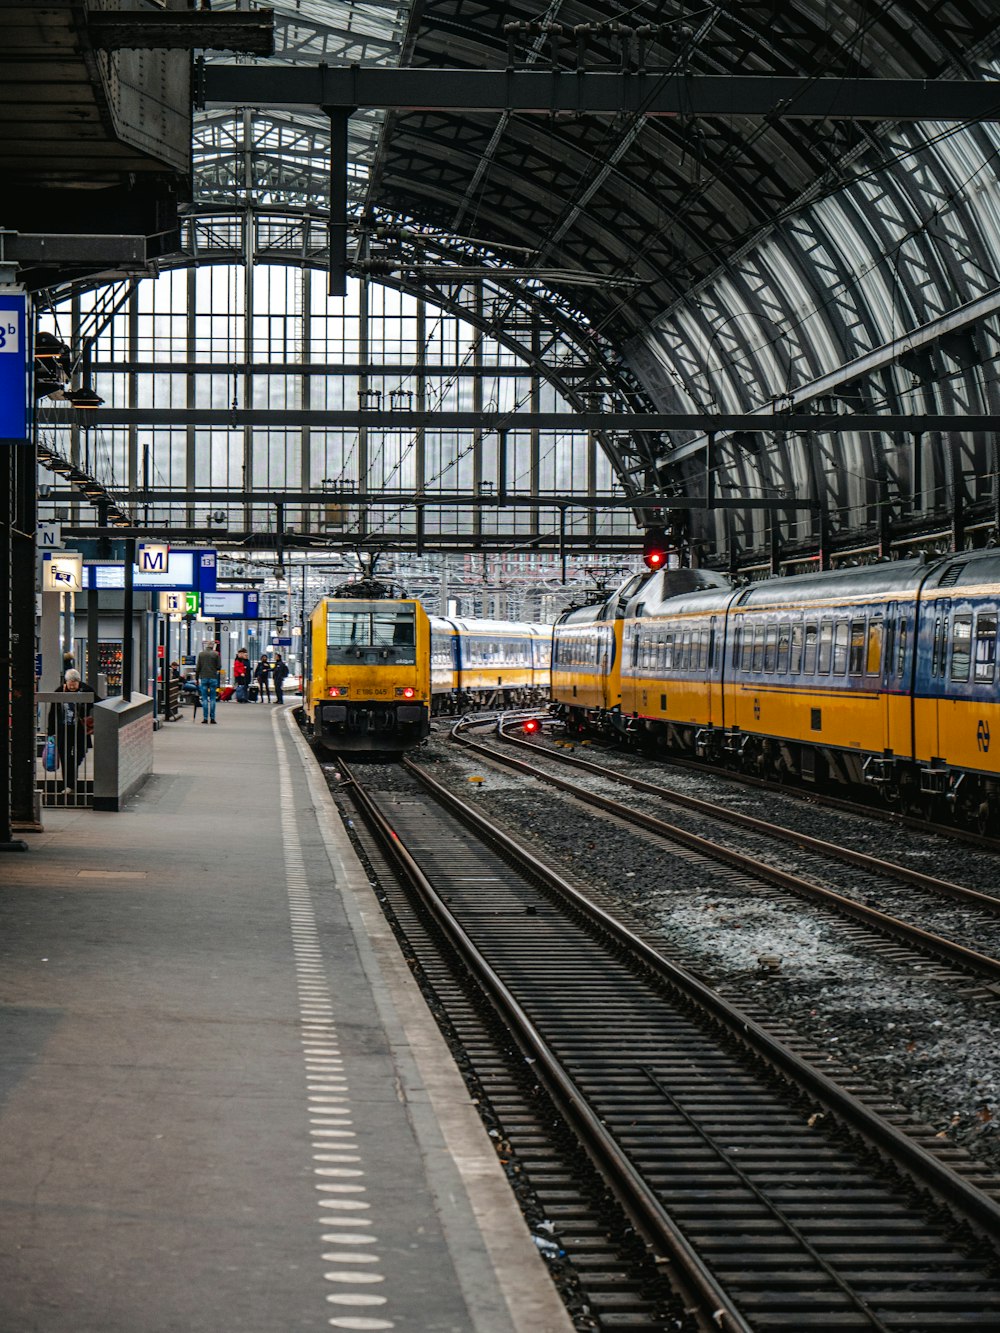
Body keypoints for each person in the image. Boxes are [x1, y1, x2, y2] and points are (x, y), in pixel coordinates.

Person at [47, 668, 96, 789]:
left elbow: (98, 701)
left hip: (80, 730)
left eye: (75, 683)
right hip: (64, 730)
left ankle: (71, 777)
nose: (72, 686)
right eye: (70, 683)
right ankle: (68, 784)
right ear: (66, 682)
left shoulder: (87, 690)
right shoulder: (59, 691)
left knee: (79, 754)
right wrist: (51, 732)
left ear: (79, 682)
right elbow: (52, 713)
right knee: (64, 756)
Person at [195, 639, 222, 724]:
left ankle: (205, 718)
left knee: (204, 698)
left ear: (207, 646)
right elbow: (219, 666)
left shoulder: (201, 654)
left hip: (204, 678)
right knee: (213, 698)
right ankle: (213, 718)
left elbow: (198, 667)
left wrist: (196, 678)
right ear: (212, 646)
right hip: (213, 677)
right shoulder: (216, 654)